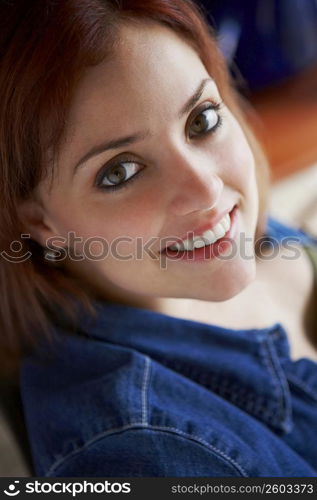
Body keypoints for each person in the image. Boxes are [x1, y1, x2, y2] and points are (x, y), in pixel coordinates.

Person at [0, 0, 316, 477]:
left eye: (202, 120)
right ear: (41, 224)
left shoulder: (238, 238)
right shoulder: (140, 455)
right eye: (120, 171)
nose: (206, 190)